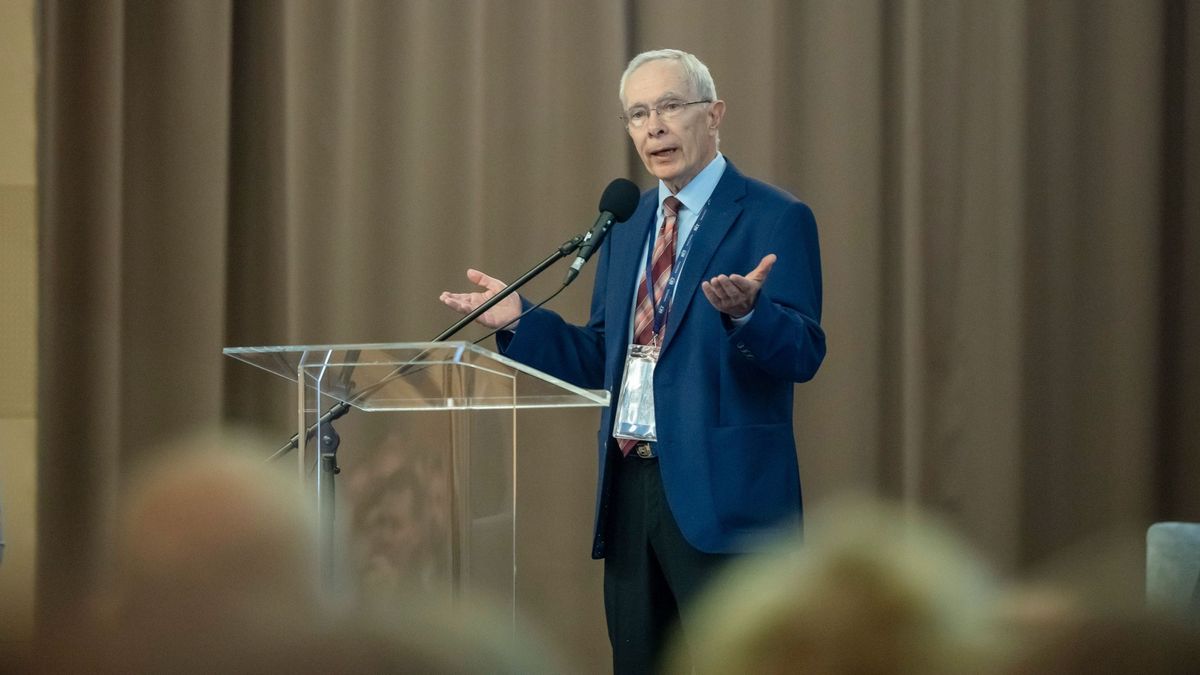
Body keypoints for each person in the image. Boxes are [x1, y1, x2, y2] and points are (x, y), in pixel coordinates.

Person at [440, 48, 825, 672]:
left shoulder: (775, 217)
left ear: (714, 114)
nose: (654, 126)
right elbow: (603, 358)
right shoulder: (628, 222)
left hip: (726, 499)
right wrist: (519, 322)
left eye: (671, 106)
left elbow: (804, 352)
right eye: (638, 113)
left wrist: (749, 314)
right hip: (629, 491)